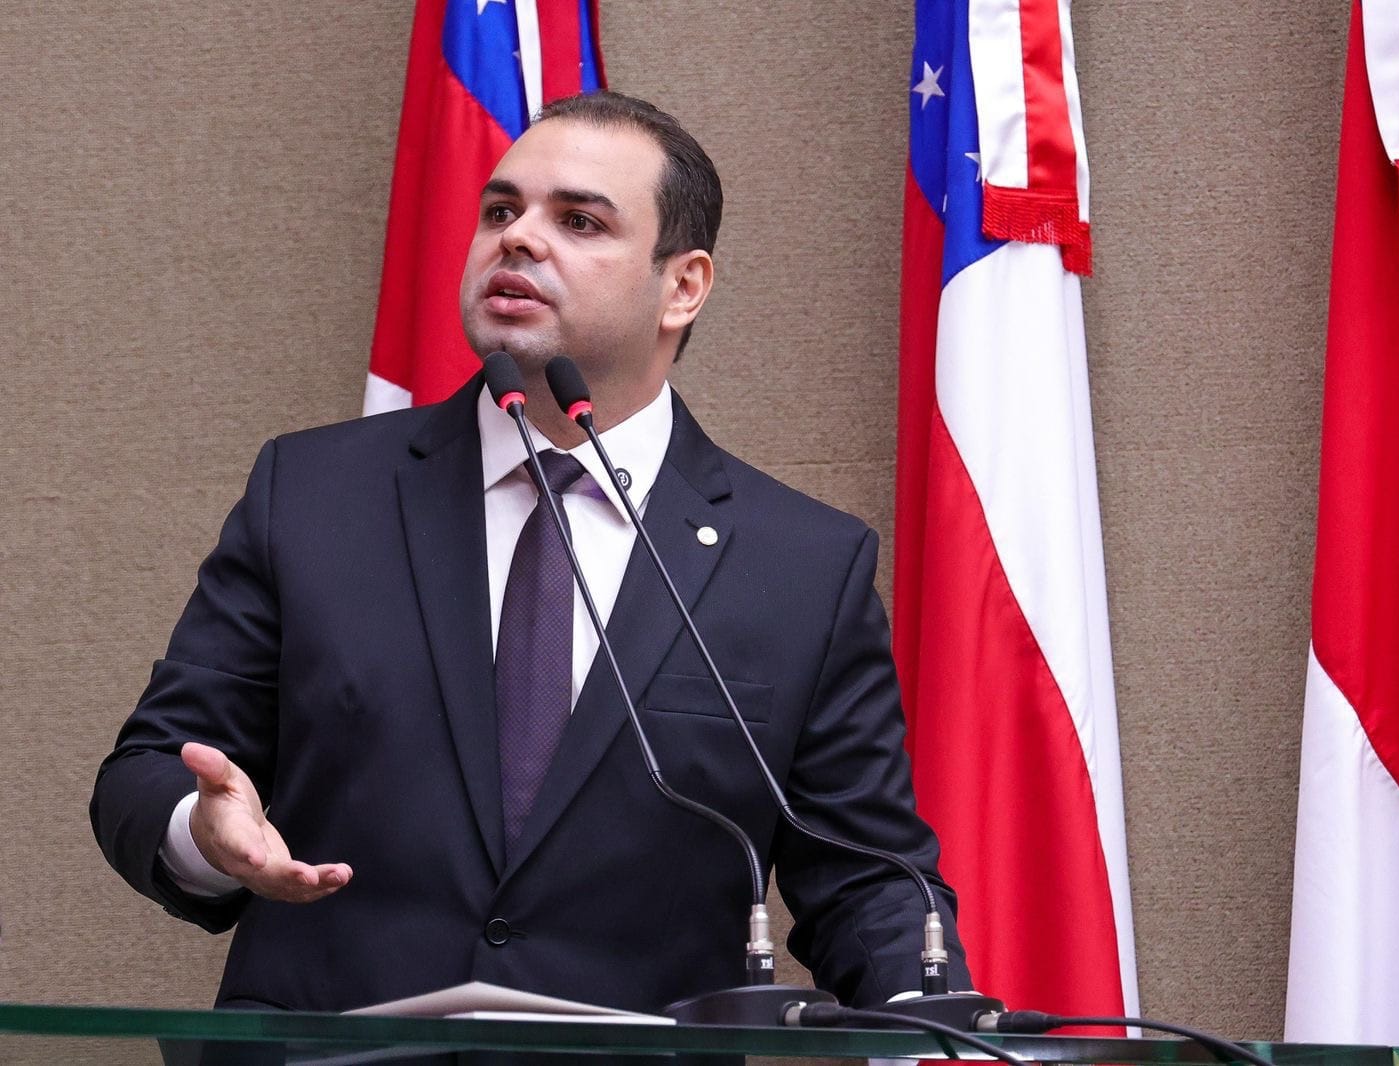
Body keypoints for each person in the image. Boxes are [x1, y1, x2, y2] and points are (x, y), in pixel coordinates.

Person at [91, 91, 967, 1015]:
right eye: (500, 210)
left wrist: (936, 1016)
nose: (516, 238)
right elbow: (150, 768)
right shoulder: (311, 494)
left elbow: (866, 879)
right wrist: (202, 832)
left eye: (579, 221)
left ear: (683, 286)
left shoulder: (800, 566)